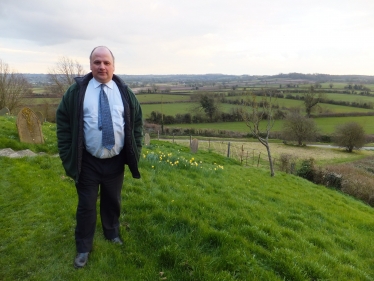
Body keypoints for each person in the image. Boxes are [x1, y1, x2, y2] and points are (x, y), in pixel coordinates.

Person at [56, 46, 143, 268]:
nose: (101, 66)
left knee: (112, 200)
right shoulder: (76, 92)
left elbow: (137, 124)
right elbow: (63, 123)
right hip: (87, 161)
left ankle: (112, 233)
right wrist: (68, 155)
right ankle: (83, 247)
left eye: (106, 62)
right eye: (97, 62)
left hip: (116, 160)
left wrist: (136, 150)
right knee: (86, 204)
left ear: (113, 66)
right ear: (90, 65)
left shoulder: (124, 92)